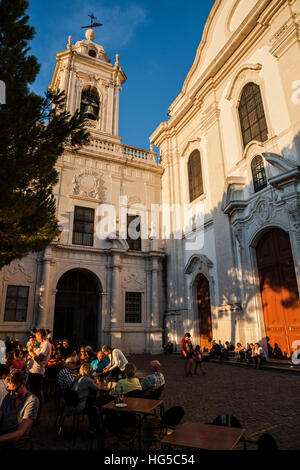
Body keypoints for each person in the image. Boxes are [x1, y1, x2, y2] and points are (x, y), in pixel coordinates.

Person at [0, 370, 39, 449]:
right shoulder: (9, 396)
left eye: (14, 391)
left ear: (23, 384)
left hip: (14, 443)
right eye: (9, 390)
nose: (11, 393)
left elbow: (19, 434)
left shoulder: (32, 401)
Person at [68, 363, 101, 435]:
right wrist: (97, 382)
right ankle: (93, 429)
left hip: (69, 404)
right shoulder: (87, 380)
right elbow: (98, 388)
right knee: (94, 408)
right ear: (90, 370)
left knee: (91, 405)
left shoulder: (76, 378)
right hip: (78, 406)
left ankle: (92, 428)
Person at [27, 329, 51, 422]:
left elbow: (39, 359)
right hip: (34, 371)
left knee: (37, 394)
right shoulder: (42, 344)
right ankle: (33, 414)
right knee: (34, 393)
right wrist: (33, 351)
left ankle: (37, 417)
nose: (36, 339)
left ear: (41, 336)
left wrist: (31, 352)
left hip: (37, 372)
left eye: (37, 336)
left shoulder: (45, 345)